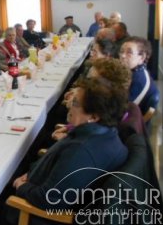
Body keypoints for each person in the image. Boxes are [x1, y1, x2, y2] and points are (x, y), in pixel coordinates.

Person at [10, 78, 128, 219]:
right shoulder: (104, 132)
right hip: (39, 185)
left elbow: (50, 200)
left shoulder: (81, 151)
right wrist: (31, 174)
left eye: (76, 102)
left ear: (94, 117)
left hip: (35, 215)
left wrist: (21, 186)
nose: (69, 104)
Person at [119, 37, 159, 124]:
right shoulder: (134, 72)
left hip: (127, 125)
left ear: (142, 57)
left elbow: (123, 111)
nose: (122, 56)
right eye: (121, 51)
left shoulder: (139, 80)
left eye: (129, 52)